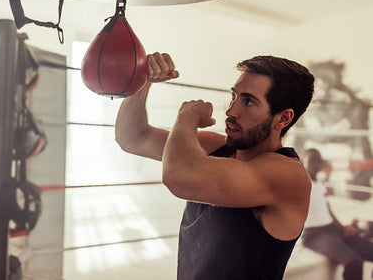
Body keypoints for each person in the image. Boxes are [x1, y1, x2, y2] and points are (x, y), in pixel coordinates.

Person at [115, 52, 315, 279]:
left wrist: (187, 116)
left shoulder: (287, 175)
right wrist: (143, 81)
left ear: (283, 119)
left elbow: (180, 177)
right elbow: (132, 137)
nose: (231, 111)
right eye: (234, 96)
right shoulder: (216, 148)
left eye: (249, 101)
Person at [302, 148, 373, 280]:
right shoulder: (299, 184)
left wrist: (343, 228)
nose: (315, 164)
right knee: (354, 263)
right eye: (311, 160)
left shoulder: (319, 186)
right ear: (304, 162)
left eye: (317, 161)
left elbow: (328, 211)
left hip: (332, 228)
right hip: (314, 233)